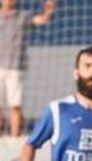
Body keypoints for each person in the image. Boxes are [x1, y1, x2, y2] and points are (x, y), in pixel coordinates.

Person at [0, 0, 54, 137]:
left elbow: (42, 20)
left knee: (15, 105)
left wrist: (48, 10)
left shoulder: (22, 16)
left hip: (15, 67)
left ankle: (14, 138)